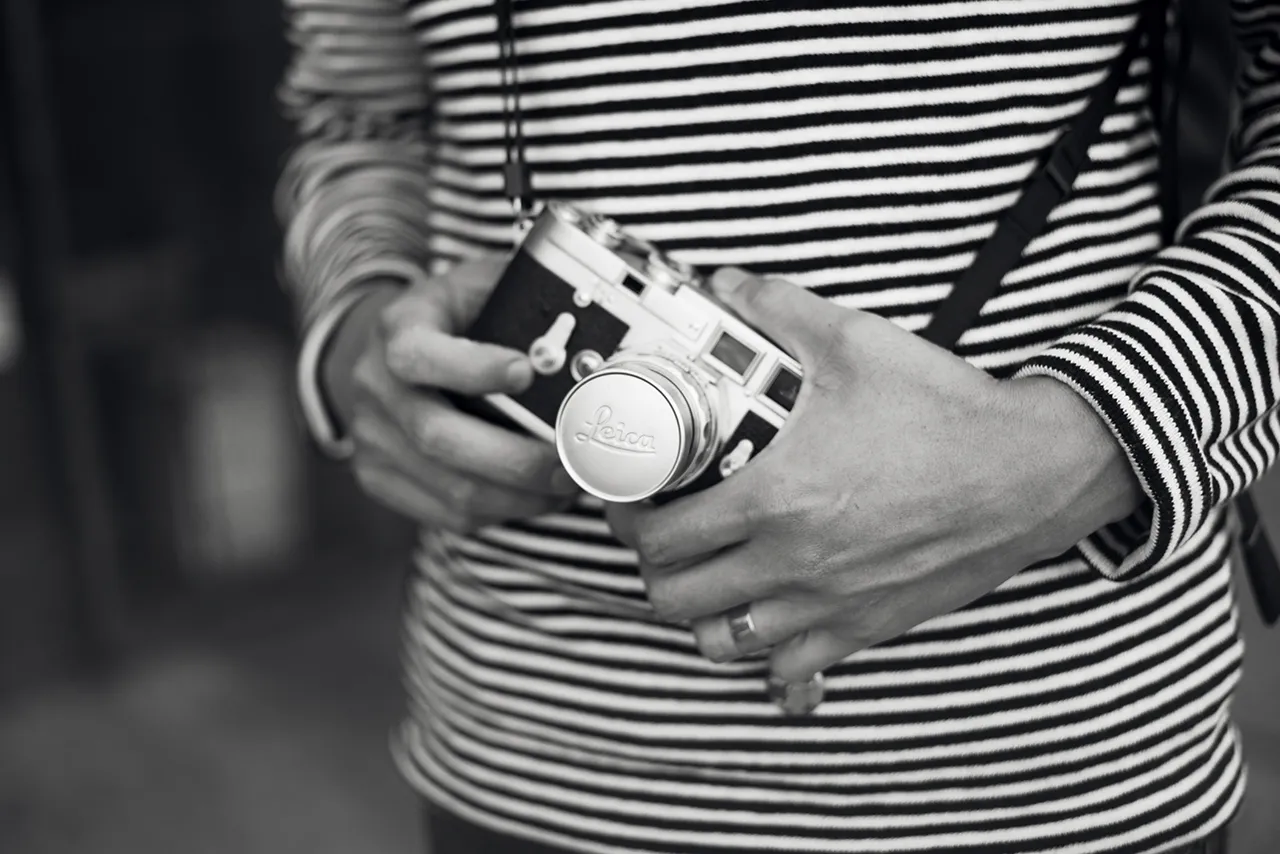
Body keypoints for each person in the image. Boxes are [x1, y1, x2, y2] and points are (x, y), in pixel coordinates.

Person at [275, 0, 1277, 851]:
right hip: (533, 748)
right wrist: (359, 334)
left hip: (1052, 753)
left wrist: (1090, 435)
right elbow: (360, 121)